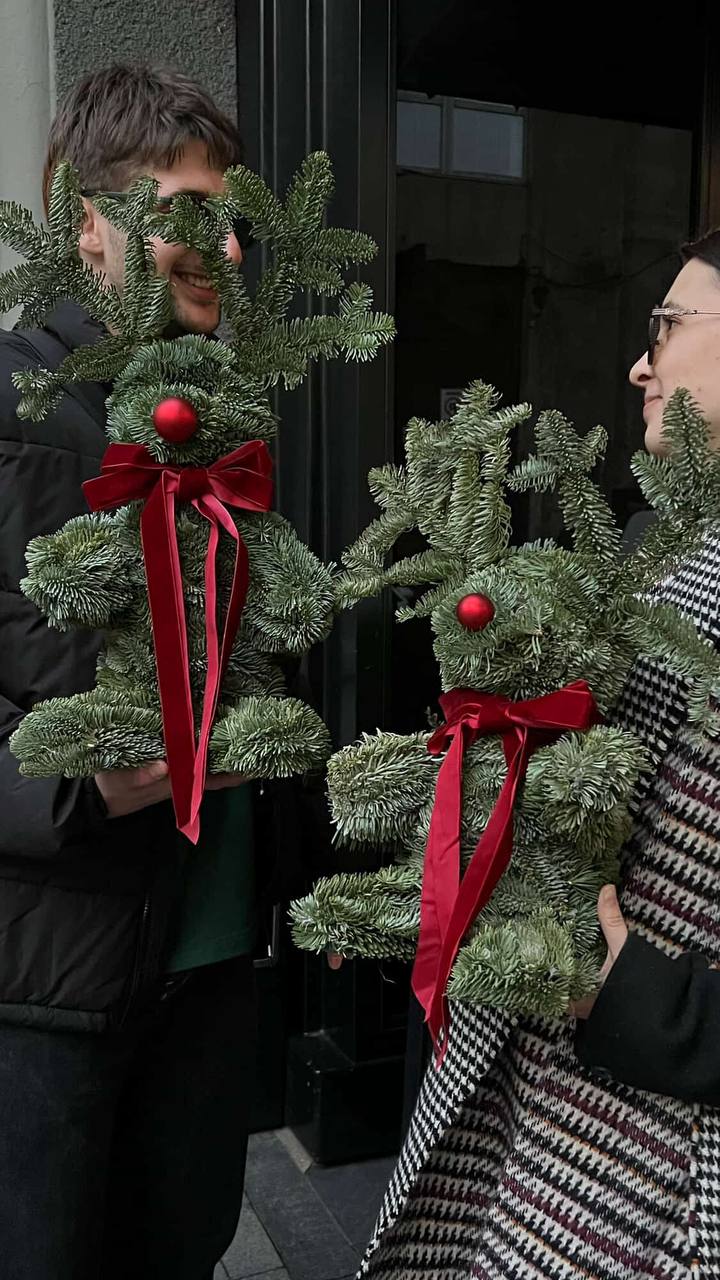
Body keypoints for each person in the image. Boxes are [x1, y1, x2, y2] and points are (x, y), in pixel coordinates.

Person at [0, 64, 326, 1280]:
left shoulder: (229, 419)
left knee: (180, 1250)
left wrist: (309, 858)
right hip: (54, 980)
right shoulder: (12, 398)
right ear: (88, 220)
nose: (223, 246)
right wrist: (79, 784)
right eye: (184, 211)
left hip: (217, 958)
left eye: (229, 217)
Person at [356, 231, 720, 1279]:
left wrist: (650, 1002)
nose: (639, 364)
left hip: (655, 1183)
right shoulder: (657, 549)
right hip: (529, 1121)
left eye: (667, 327)